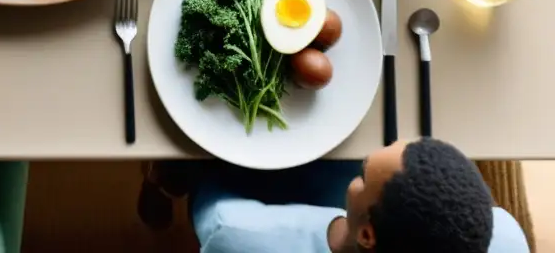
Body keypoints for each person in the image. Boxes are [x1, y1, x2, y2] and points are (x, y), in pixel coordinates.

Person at [191, 138, 530, 252]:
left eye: (363, 176)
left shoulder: (235, 234)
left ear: (367, 234)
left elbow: (211, 202)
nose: (365, 160)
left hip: (239, 187)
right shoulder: (507, 239)